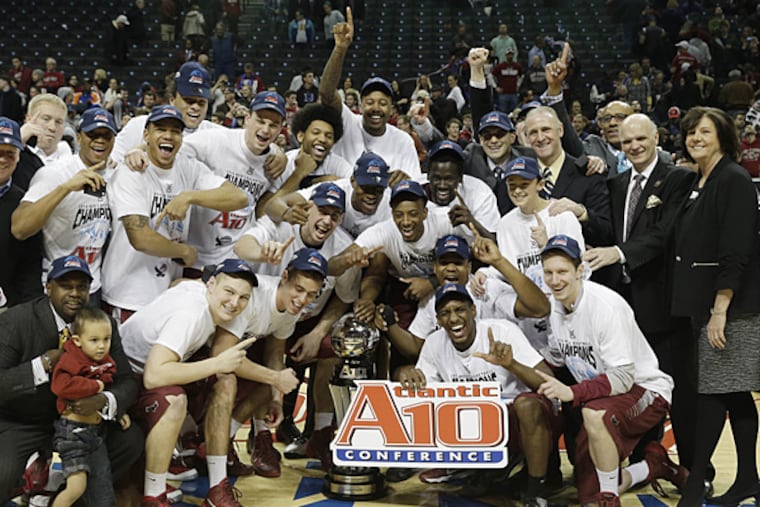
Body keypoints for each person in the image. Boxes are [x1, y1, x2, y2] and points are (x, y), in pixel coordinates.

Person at [582, 114, 697, 471]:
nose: (633, 146)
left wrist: (619, 253)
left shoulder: (678, 178)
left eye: (640, 139)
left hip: (665, 306)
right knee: (636, 390)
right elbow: (610, 232)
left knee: (679, 391)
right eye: (626, 141)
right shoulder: (617, 184)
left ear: (656, 137)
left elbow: (666, 234)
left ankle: (694, 469)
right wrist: (582, 216)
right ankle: (644, 462)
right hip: (626, 308)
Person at [535, 235, 686, 507]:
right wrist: (511, 363)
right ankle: (653, 466)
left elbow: (622, 377)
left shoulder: (605, 307)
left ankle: (609, 499)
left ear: (580, 270)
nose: (555, 280)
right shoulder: (555, 308)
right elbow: (555, 362)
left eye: (562, 272)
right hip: (602, 396)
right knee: (587, 493)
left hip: (646, 390)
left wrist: (571, 392)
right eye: (548, 272)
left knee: (594, 415)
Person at [670, 107, 760, 507]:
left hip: (731, 308)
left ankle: (694, 486)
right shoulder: (699, 179)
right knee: (735, 393)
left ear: (723, 135)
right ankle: (747, 481)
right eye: (690, 132)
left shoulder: (734, 180)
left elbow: (737, 252)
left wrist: (720, 308)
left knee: (712, 393)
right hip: (704, 304)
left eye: (704, 131)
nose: (695, 138)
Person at [398, 282, 558, 506]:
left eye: (459, 309)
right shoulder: (435, 343)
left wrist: (512, 365)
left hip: (521, 421)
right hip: (479, 428)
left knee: (526, 405)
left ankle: (536, 491)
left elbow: (550, 383)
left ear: (473, 311)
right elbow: (424, 396)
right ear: (438, 320)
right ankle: (481, 469)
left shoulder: (501, 330)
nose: (453, 318)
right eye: (445, 313)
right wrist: (403, 373)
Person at [0, 255, 142, 505]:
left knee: (130, 441)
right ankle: (39, 484)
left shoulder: (101, 323)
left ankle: (65, 494)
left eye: (82, 286)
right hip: (24, 421)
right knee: (3, 472)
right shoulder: (15, 321)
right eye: (67, 285)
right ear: (49, 287)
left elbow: (127, 381)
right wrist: (41, 365)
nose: (75, 293)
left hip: (81, 421)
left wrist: (103, 399)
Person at [121, 259, 258, 506]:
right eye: (229, 292)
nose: (235, 303)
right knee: (174, 400)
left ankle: (194, 459)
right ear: (212, 284)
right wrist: (217, 364)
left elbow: (179, 282)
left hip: (134, 370)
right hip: (123, 380)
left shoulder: (197, 291)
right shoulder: (191, 315)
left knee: (223, 381)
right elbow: (154, 376)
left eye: (243, 297)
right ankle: (154, 495)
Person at [100, 105, 248, 322]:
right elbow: (140, 238)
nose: (168, 136)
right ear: (146, 135)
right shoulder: (131, 172)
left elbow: (238, 197)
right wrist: (184, 251)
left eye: (175, 131)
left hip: (166, 291)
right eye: (160, 129)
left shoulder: (188, 168)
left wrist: (189, 197)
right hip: (128, 295)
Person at [12, 108, 117, 302]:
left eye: (106, 135)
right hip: (56, 286)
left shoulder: (116, 173)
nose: (100, 140)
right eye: (92, 134)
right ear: (79, 137)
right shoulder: (55, 173)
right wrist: (66, 188)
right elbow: (20, 228)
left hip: (93, 287)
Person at [180, 91, 287, 275]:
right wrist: (141, 149)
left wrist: (281, 154)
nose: (266, 129)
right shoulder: (217, 140)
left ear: (280, 130)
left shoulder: (274, 164)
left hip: (233, 261)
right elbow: (175, 149)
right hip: (195, 257)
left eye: (273, 125)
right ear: (247, 119)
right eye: (260, 121)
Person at [319, 8, 421, 182]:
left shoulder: (403, 141)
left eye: (382, 103)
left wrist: (406, 183)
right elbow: (327, 93)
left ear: (391, 109)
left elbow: (415, 187)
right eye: (370, 102)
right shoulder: (348, 123)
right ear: (360, 106)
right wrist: (340, 49)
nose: (376, 108)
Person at [50, 307, 131, 507]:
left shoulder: (105, 361)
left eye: (106, 339)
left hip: (96, 433)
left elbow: (108, 390)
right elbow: (60, 386)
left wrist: (116, 411)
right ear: (77, 341)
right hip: (72, 432)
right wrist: (95, 386)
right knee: (76, 488)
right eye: (94, 340)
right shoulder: (71, 359)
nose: (102, 346)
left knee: (103, 493)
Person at [110, 62, 222, 164]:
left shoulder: (218, 135)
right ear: (172, 100)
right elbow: (110, 162)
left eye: (201, 103)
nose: (196, 107)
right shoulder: (139, 126)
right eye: (189, 101)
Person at [15, 94, 73, 191]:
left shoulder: (73, 160)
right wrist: (17, 141)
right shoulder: (13, 156)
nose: (52, 128)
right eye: (46, 119)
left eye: (58, 122)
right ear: (28, 119)